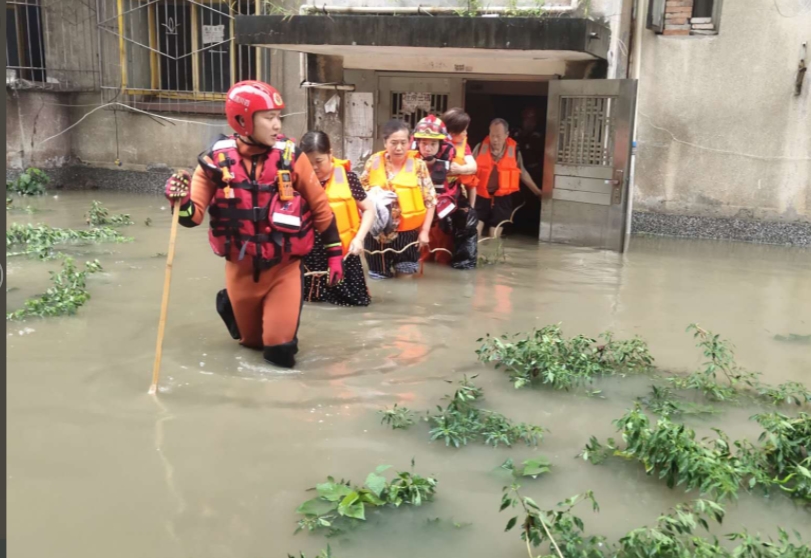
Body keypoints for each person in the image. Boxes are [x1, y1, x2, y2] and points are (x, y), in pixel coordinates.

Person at [163, 80, 344, 369]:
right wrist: (179, 200)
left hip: (284, 269)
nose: (277, 125)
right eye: (269, 117)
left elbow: (321, 209)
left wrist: (335, 255)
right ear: (243, 120)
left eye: (278, 117)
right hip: (240, 269)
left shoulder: (292, 158)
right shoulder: (214, 162)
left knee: (279, 352)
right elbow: (190, 218)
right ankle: (231, 306)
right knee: (251, 345)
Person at [299, 131, 373, 307]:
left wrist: (359, 238)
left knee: (352, 304)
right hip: (311, 257)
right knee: (309, 303)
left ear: (330, 154)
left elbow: (369, 209)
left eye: (319, 161)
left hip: (345, 254)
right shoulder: (298, 181)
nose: (315, 167)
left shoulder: (348, 178)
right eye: (309, 163)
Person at [360, 119, 437, 279]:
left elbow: (430, 201)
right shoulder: (372, 163)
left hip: (407, 235)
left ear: (410, 142)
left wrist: (425, 232)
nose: (399, 148)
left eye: (403, 142)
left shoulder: (418, 166)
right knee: (379, 279)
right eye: (393, 143)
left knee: (406, 281)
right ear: (385, 142)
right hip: (376, 236)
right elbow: (359, 197)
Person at [472, 118, 542, 238]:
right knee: (474, 232)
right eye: (492, 135)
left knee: (494, 235)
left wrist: (538, 192)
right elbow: (469, 169)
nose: (494, 139)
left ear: (506, 135)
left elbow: (522, 173)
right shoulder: (479, 148)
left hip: (502, 197)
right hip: (481, 194)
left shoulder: (514, 151)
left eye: (498, 136)